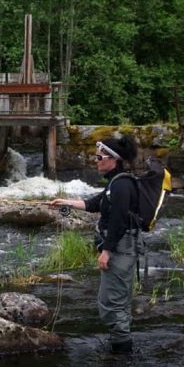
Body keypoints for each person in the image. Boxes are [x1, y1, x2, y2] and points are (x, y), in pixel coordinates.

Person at [50, 136, 140, 354]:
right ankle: (120, 347)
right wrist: (67, 203)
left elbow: (118, 222)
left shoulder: (121, 185)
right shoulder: (115, 183)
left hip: (120, 250)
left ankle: (122, 358)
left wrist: (106, 252)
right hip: (120, 249)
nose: (95, 160)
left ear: (113, 159)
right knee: (116, 303)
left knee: (111, 305)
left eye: (99, 156)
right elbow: (94, 204)